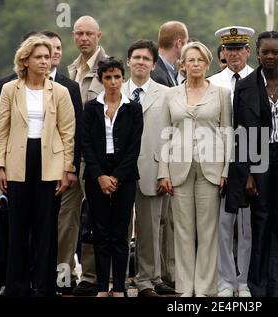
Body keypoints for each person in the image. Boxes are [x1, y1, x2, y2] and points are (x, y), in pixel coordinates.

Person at [0, 35, 76, 297]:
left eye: (47, 56)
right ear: (25, 60)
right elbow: (1, 130)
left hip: (50, 162)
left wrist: (67, 169)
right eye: (39, 57)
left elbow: (68, 133)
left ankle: (44, 286)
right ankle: (16, 286)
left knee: (46, 226)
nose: (44, 61)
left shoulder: (60, 92)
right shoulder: (9, 89)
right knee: (17, 226)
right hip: (18, 160)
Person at [226, 31, 278, 296]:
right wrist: (245, 173)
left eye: (275, 52)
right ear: (257, 53)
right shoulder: (244, 86)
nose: (269, 57)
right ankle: (258, 284)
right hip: (258, 159)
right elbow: (240, 133)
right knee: (261, 219)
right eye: (265, 52)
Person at [157, 41, 232, 297]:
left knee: (208, 230)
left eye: (200, 60)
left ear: (207, 63)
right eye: (191, 60)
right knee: (184, 231)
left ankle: (205, 288)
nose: (195, 64)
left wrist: (225, 172)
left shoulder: (221, 93)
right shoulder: (171, 94)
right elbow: (164, 134)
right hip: (178, 169)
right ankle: (186, 288)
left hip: (211, 169)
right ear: (183, 65)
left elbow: (227, 132)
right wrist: (163, 172)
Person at [82, 57, 143, 297]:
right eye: (108, 77)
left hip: (124, 174)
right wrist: (100, 176)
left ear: (123, 78)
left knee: (120, 232)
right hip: (96, 174)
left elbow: (134, 146)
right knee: (100, 232)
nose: (113, 82)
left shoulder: (132, 107)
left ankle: (119, 286)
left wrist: (116, 176)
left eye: (117, 77)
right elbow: (85, 144)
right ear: (101, 79)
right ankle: (100, 286)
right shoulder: (91, 107)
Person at [121, 40, 170, 297]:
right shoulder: (116, 90)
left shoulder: (166, 94)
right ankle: (117, 280)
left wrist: (166, 171)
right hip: (121, 170)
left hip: (153, 168)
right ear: (128, 61)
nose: (140, 62)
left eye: (146, 58)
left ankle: (147, 281)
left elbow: (170, 136)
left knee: (151, 228)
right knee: (119, 227)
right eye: (136, 57)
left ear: (153, 64)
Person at [208, 25, 254, 298]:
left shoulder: (258, 79)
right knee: (223, 226)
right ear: (223, 52)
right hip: (221, 162)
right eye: (230, 49)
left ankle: (244, 280)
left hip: (251, 159)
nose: (235, 54)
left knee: (247, 226)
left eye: (239, 49)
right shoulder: (213, 82)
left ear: (248, 51)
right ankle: (225, 281)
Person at [38, 30, 84, 296]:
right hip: (32, 168)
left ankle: (63, 278)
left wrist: (71, 168)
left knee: (66, 225)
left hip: (63, 169)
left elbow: (74, 131)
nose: (54, 53)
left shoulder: (70, 87)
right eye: (47, 49)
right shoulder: (17, 85)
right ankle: (36, 275)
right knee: (38, 222)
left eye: (57, 48)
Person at [67, 15, 108, 296]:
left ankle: (91, 276)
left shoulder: (109, 69)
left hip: (96, 157)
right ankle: (64, 273)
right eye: (78, 33)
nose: (83, 38)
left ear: (98, 36)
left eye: (88, 34)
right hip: (69, 156)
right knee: (64, 217)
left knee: (95, 216)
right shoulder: (70, 70)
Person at [151, 21, 189, 292]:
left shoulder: (171, 73)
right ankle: (163, 274)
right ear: (179, 43)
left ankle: (167, 273)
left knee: (167, 221)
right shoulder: (161, 76)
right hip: (161, 157)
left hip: (170, 157)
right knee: (161, 221)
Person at [151, 21, 189, 88]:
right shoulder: (159, 77)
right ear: (179, 43)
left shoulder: (167, 70)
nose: (187, 47)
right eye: (186, 42)